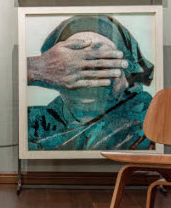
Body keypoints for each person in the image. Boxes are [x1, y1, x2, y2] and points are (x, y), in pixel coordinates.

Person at [27, 15, 155, 151]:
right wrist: (34, 68)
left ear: (128, 74)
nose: (87, 72)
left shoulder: (150, 121)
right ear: (52, 75)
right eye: (73, 64)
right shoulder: (34, 123)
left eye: (103, 58)